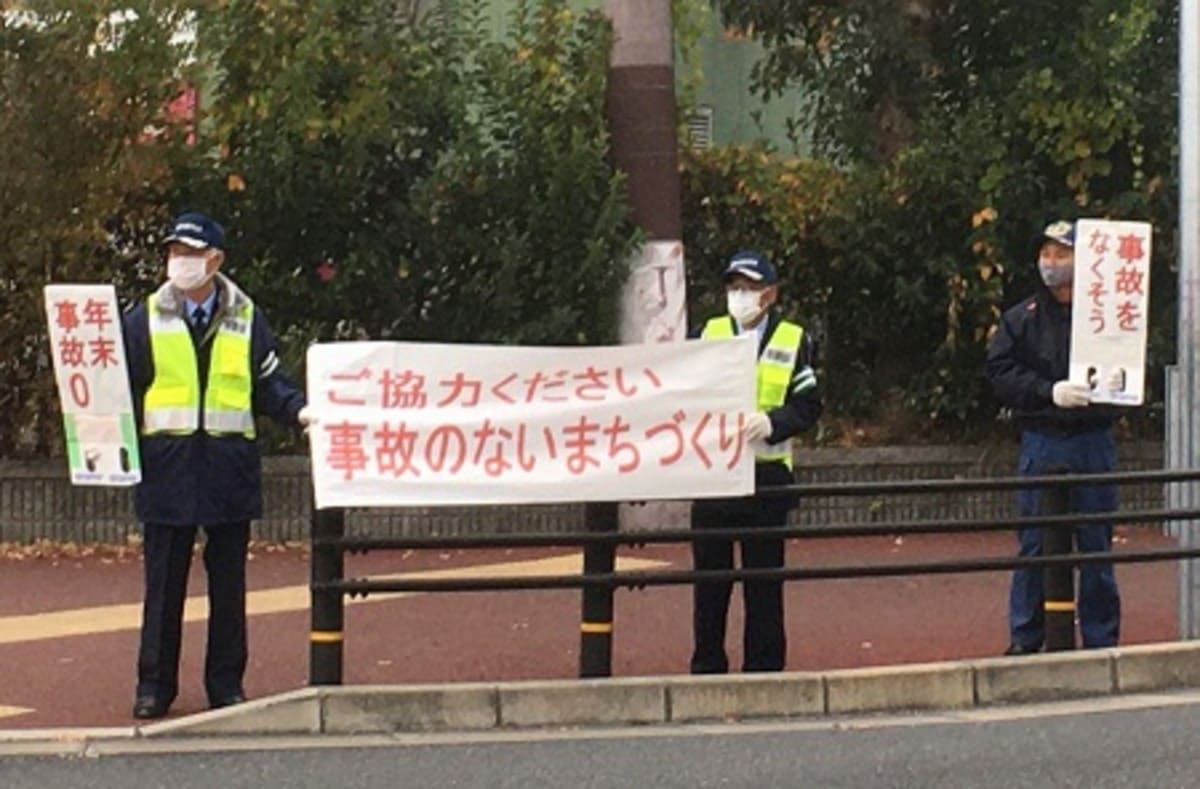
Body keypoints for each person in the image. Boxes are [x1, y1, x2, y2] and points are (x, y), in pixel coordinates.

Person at [122, 212, 313, 719]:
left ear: (216, 260)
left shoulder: (246, 317)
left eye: (190, 253)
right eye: (173, 253)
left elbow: (269, 381)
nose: (179, 262)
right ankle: (153, 687)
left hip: (228, 468)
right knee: (163, 587)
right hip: (168, 467)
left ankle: (225, 684)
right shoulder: (144, 317)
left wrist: (299, 411)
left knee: (228, 588)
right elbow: (118, 386)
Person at [984, 219, 1121, 655]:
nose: (1051, 263)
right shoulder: (1021, 318)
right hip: (1042, 437)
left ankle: (1101, 641)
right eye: (1046, 254)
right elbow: (999, 373)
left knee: (1095, 545)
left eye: (1061, 254)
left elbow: (1136, 375)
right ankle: (1026, 638)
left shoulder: (1109, 317)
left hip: (1092, 438)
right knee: (1035, 545)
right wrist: (1048, 392)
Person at [690, 250, 822, 674]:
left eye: (748, 288)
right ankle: (707, 666)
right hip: (713, 477)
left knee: (763, 583)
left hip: (766, 477)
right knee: (710, 583)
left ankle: (764, 670)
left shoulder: (792, 339)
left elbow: (809, 404)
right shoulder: (705, 334)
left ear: (770, 294)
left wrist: (773, 421)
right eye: (734, 287)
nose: (739, 296)